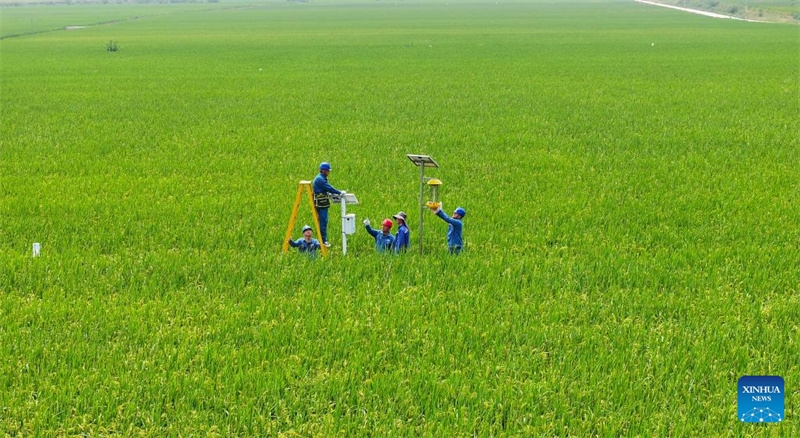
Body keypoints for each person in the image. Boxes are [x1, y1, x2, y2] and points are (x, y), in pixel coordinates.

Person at [313, 162, 341, 247]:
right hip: (321, 203)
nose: (328, 172)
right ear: (323, 170)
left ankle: (322, 239)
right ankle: (323, 240)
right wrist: (339, 193)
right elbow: (329, 188)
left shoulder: (321, 178)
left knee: (323, 221)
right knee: (323, 221)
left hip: (323, 202)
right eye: (327, 171)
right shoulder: (320, 179)